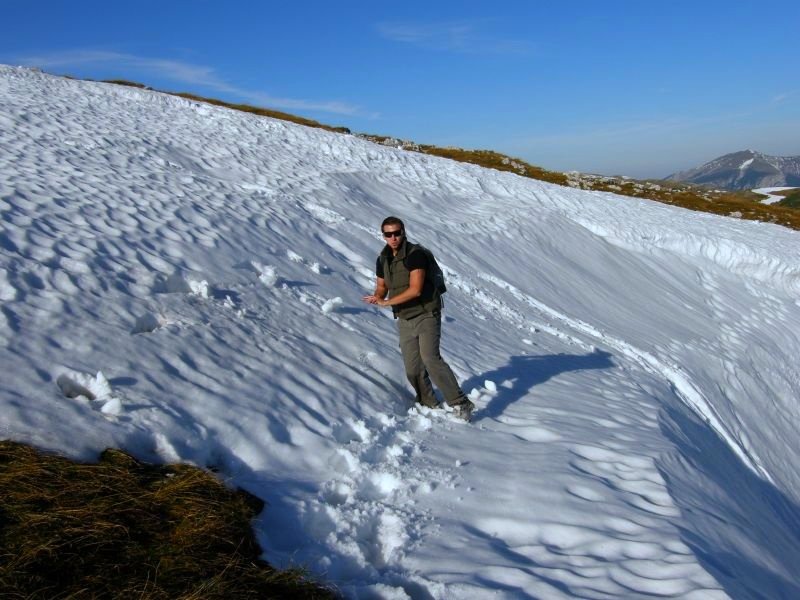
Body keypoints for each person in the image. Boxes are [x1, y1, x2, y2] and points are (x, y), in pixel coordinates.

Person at [363, 216, 475, 421]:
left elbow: (415, 290)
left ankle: (461, 403)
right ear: (383, 236)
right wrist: (378, 297)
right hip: (405, 317)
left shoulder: (416, 255)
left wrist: (387, 303)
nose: (393, 237)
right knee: (412, 367)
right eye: (388, 234)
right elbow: (381, 286)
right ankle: (428, 402)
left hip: (426, 314)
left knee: (430, 358)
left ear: (403, 232)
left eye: (397, 233)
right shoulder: (383, 259)